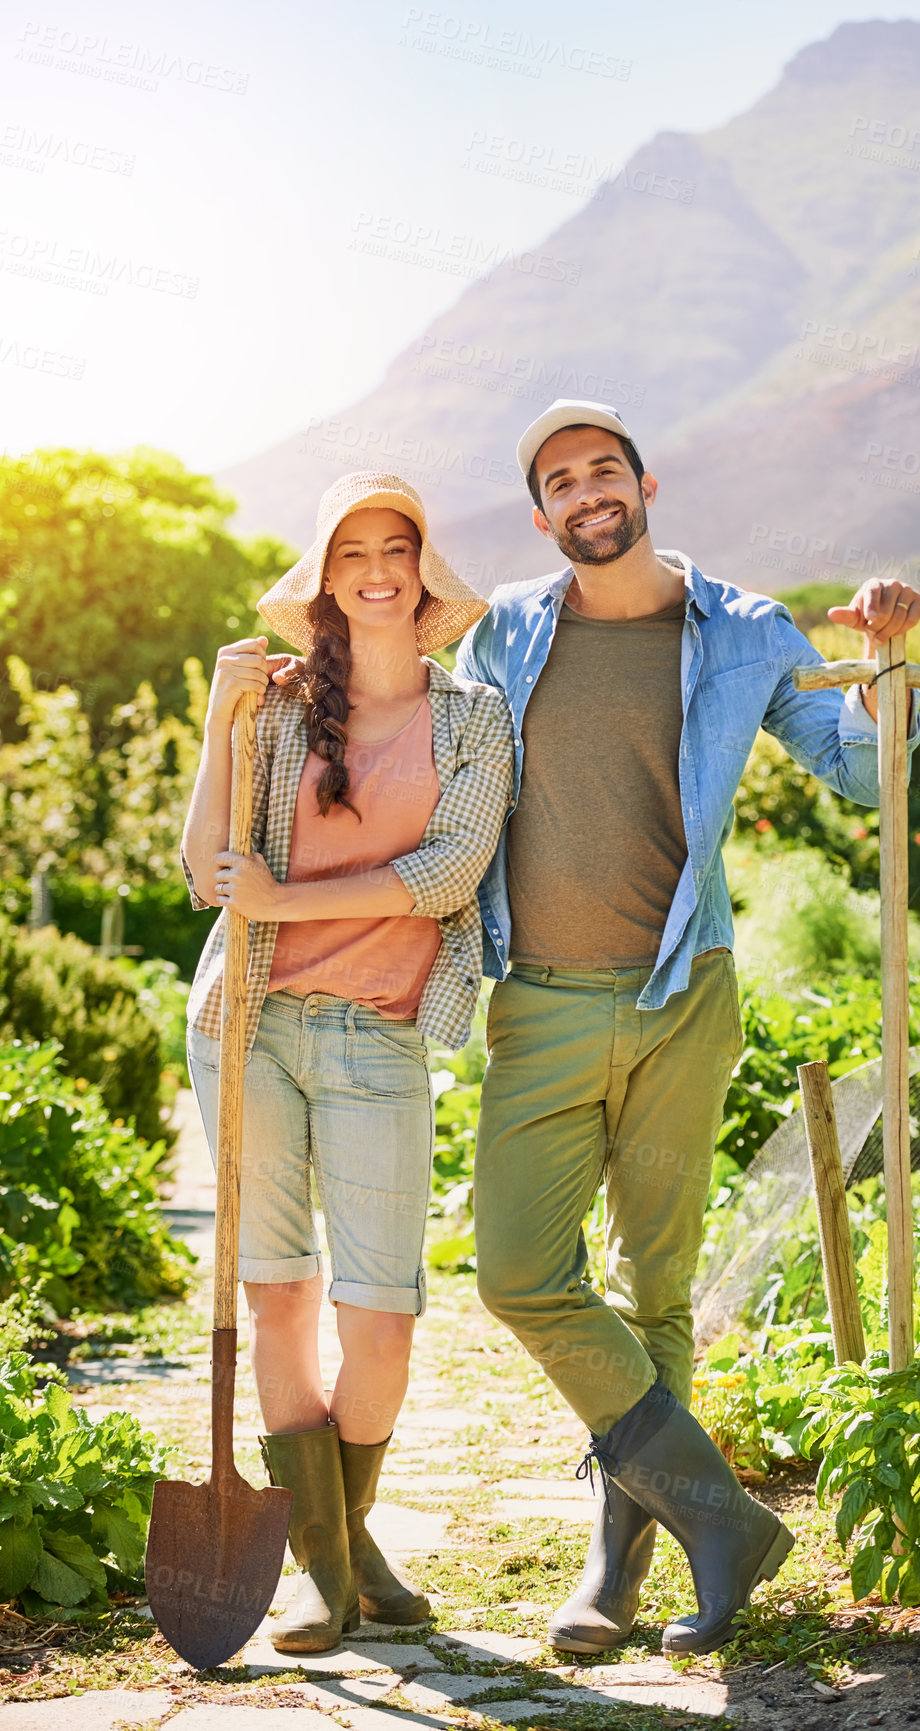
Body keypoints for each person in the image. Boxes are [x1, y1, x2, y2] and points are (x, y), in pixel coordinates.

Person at [456, 398, 920, 1657]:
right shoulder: (502, 634)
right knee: (519, 1272)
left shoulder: (747, 629)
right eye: (560, 481)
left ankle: (615, 1572)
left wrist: (883, 664)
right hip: (541, 999)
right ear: (542, 513)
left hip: (682, 996)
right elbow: (426, 756)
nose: (586, 493)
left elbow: (862, 769)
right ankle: (720, 1516)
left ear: (644, 483)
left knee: (654, 1287)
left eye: (603, 469)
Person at [180, 471, 512, 1654]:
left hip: (381, 1031)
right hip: (251, 1023)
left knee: (383, 1316)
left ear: (422, 571)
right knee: (281, 1291)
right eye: (351, 551)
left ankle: (345, 1532)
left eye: (397, 547)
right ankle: (325, 1571)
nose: (376, 567)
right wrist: (222, 723)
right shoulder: (275, 712)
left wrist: (290, 892)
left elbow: (451, 874)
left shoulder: (473, 718)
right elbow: (200, 867)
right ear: (322, 579)